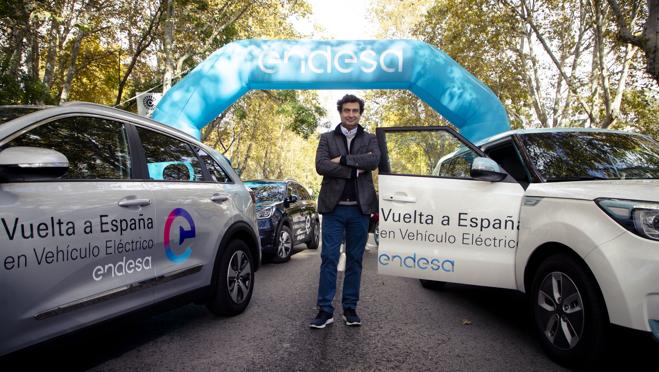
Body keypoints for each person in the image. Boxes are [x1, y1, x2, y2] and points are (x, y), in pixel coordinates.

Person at [309, 94, 380, 329]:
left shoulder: (370, 139)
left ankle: (350, 309)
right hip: (334, 209)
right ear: (340, 112)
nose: (351, 114)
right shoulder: (327, 138)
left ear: (360, 113)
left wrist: (344, 159)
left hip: (360, 210)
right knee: (329, 258)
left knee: (355, 261)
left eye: (355, 111)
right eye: (347, 110)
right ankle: (325, 310)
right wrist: (352, 170)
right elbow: (322, 165)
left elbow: (374, 161)